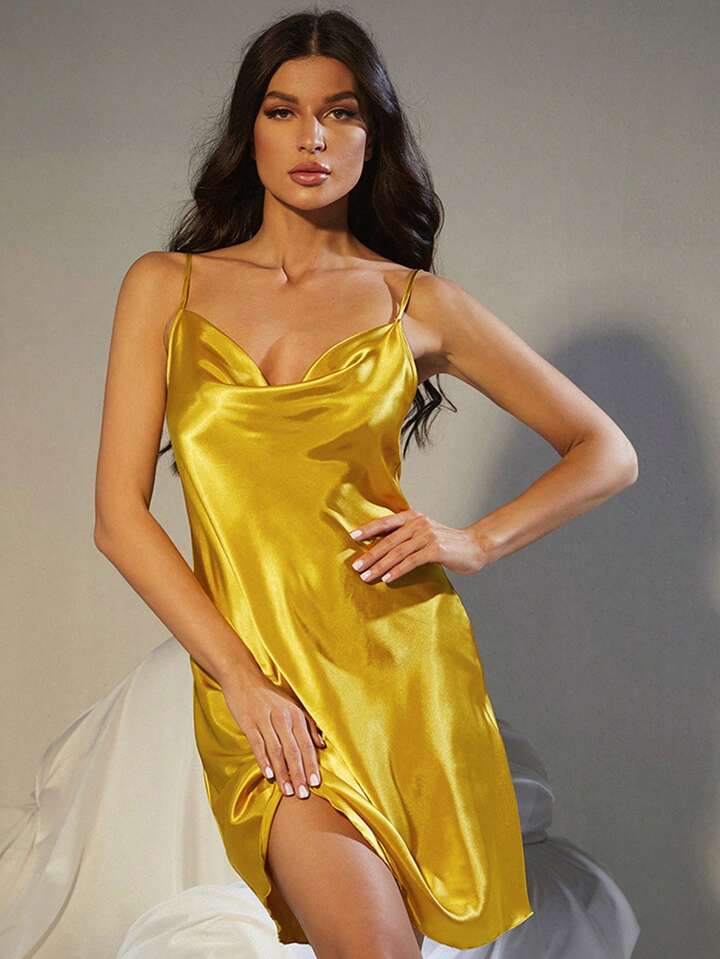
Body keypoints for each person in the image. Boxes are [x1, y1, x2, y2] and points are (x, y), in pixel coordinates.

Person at [93, 9, 638, 959]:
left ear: (372, 135)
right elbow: (117, 517)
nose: (311, 137)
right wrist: (243, 682)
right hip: (264, 686)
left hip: (400, 674)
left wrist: (474, 540)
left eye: (340, 113)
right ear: (250, 131)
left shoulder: (414, 302)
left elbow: (607, 449)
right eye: (283, 111)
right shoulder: (164, 287)